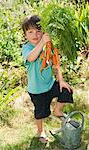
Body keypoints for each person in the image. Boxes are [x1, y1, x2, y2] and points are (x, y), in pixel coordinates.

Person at [22, 15, 73, 143]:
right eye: (30, 32)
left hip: (50, 85)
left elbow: (56, 65)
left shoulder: (48, 46)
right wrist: (42, 43)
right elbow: (31, 58)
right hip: (37, 90)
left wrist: (61, 80)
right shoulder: (27, 48)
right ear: (25, 35)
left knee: (67, 91)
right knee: (40, 113)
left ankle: (57, 110)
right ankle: (41, 131)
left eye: (38, 31)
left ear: (43, 32)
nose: (35, 35)